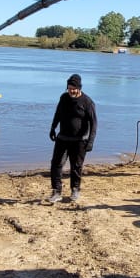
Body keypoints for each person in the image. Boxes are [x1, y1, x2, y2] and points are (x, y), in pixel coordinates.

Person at [48, 73, 97, 204]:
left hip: (80, 141)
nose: (71, 91)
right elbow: (58, 113)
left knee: (76, 167)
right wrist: (53, 128)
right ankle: (56, 191)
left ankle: (75, 189)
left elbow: (94, 123)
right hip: (62, 138)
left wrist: (91, 141)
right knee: (56, 164)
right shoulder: (64, 98)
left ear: (79, 88)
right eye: (69, 88)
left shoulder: (87, 102)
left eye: (74, 89)